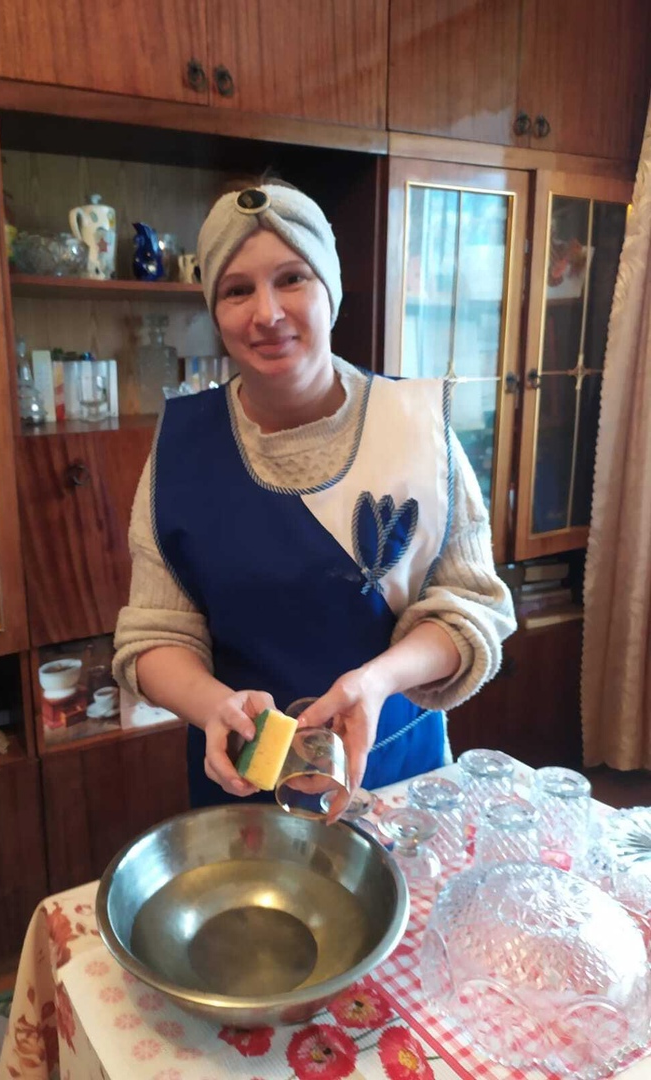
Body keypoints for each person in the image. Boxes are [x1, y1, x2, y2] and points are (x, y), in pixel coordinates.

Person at [112, 181, 516, 811]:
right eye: (237, 289)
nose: (267, 313)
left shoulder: (415, 428)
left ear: (331, 290)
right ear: (214, 310)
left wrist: (377, 682)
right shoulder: (181, 447)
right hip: (242, 786)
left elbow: (471, 608)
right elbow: (154, 632)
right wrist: (212, 705)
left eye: (292, 278)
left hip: (395, 779)